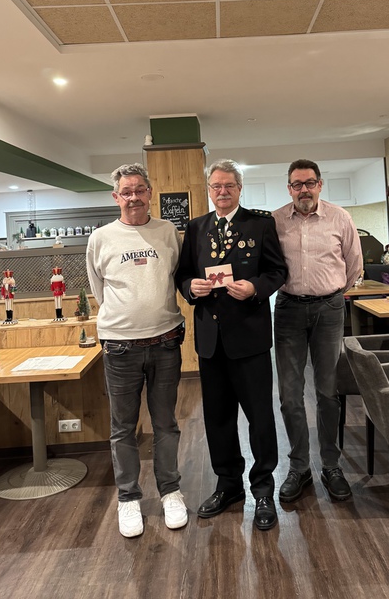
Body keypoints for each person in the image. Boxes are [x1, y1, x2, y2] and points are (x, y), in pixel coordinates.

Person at [176, 159, 287, 531]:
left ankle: (264, 489)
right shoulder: (196, 228)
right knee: (218, 418)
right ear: (209, 189)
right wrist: (190, 288)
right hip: (211, 341)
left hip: (250, 338)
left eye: (229, 185)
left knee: (260, 417)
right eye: (216, 186)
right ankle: (228, 485)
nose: (222, 191)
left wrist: (255, 287)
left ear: (239, 188)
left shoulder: (260, 224)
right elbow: (183, 275)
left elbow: (277, 271)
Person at [86, 162, 187, 537]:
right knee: (123, 429)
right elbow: (99, 289)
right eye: (126, 192)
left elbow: (175, 277)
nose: (133, 197)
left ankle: (170, 491)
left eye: (139, 190)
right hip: (120, 348)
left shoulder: (167, 232)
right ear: (116, 197)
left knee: (166, 424)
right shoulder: (101, 238)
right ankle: (128, 498)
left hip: (165, 342)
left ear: (150, 192)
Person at [272, 159, 363, 504]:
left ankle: (331, 465)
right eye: (297, 184)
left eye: (310, 183)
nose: (304, 190)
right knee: (290, 394)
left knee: (327, 391)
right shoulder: (275, 221)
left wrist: (332, 293)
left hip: (329, 309)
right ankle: (299, 467)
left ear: (320, 185)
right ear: (289, 189)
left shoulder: (341, 218)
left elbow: (354, 266)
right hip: (288, 310)